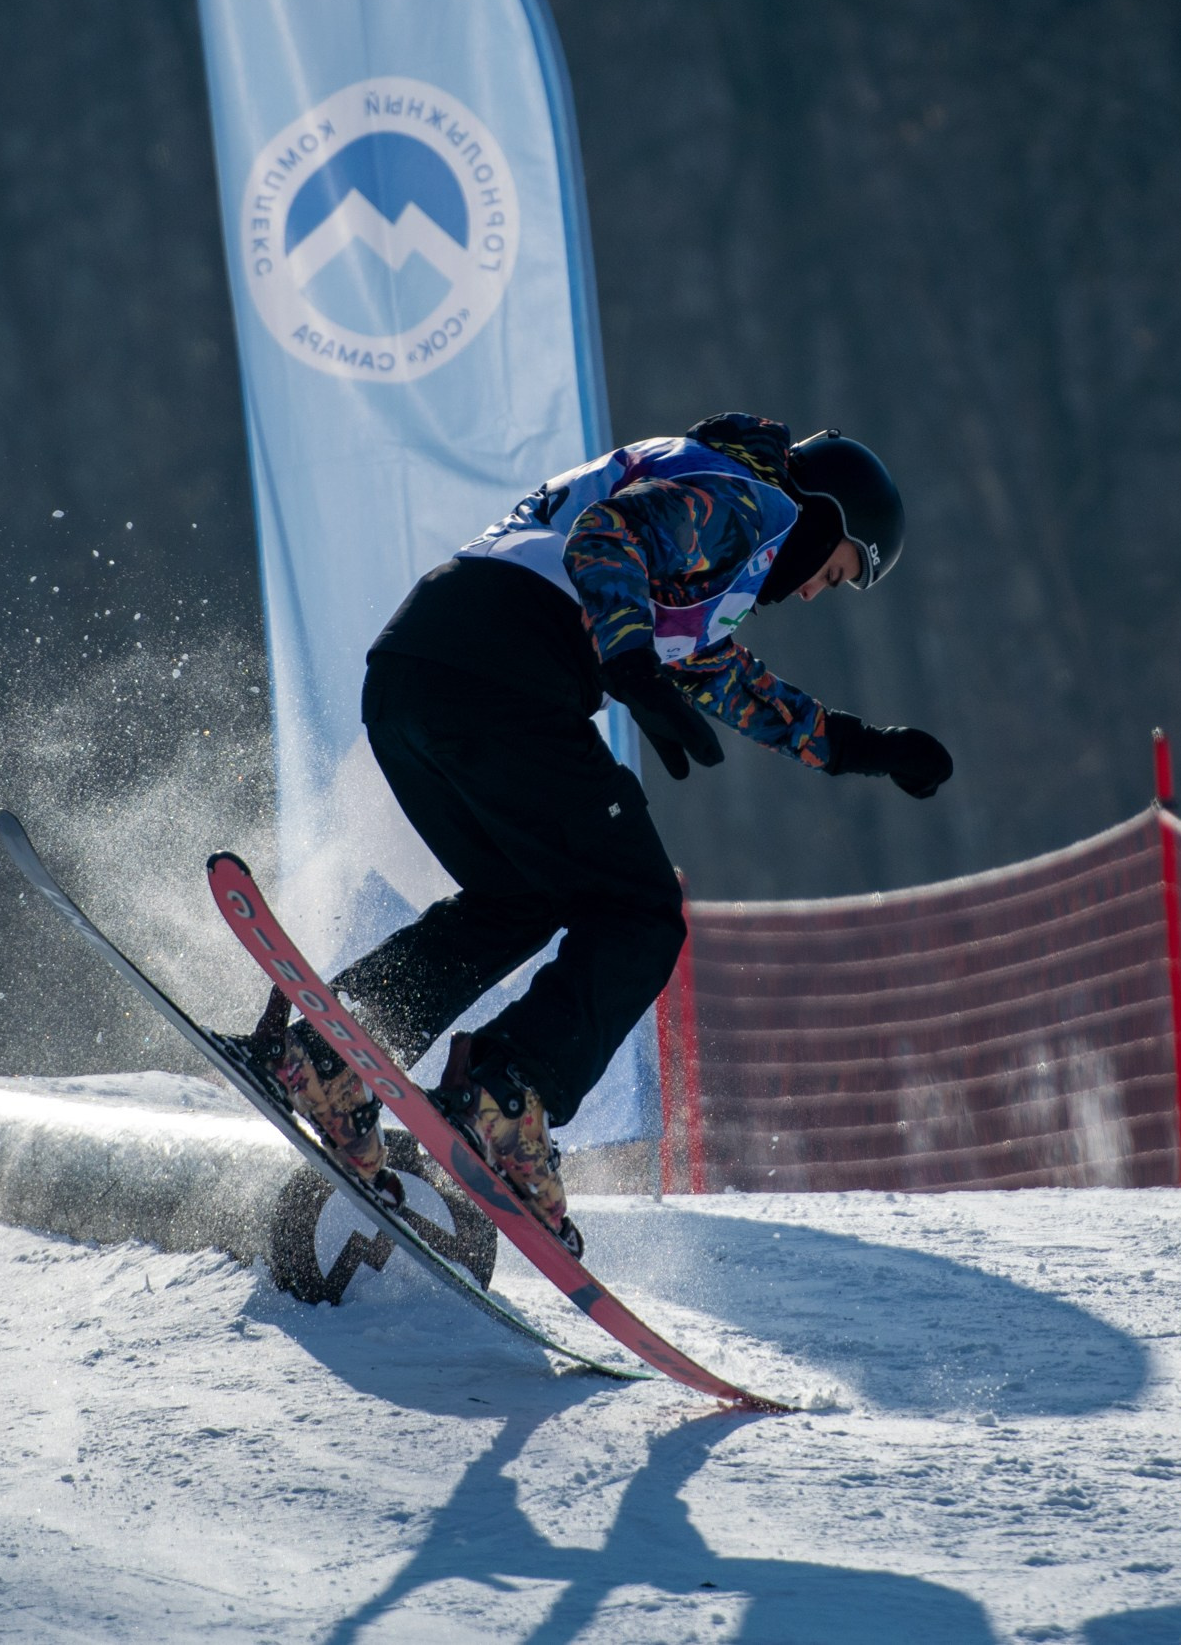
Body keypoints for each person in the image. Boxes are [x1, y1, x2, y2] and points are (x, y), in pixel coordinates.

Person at [237, 413, 952, 1256]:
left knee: (521, 897)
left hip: (414, 673)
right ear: (826, 515)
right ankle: (508, 1096)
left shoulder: (710, 527)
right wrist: (628, 662)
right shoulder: (751, 504)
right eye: (833, 574)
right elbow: (610, 536)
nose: (808, 592)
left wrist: (867, 748)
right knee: (642, 910)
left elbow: (736, 684)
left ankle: (332, 1051)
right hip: (504, 672)